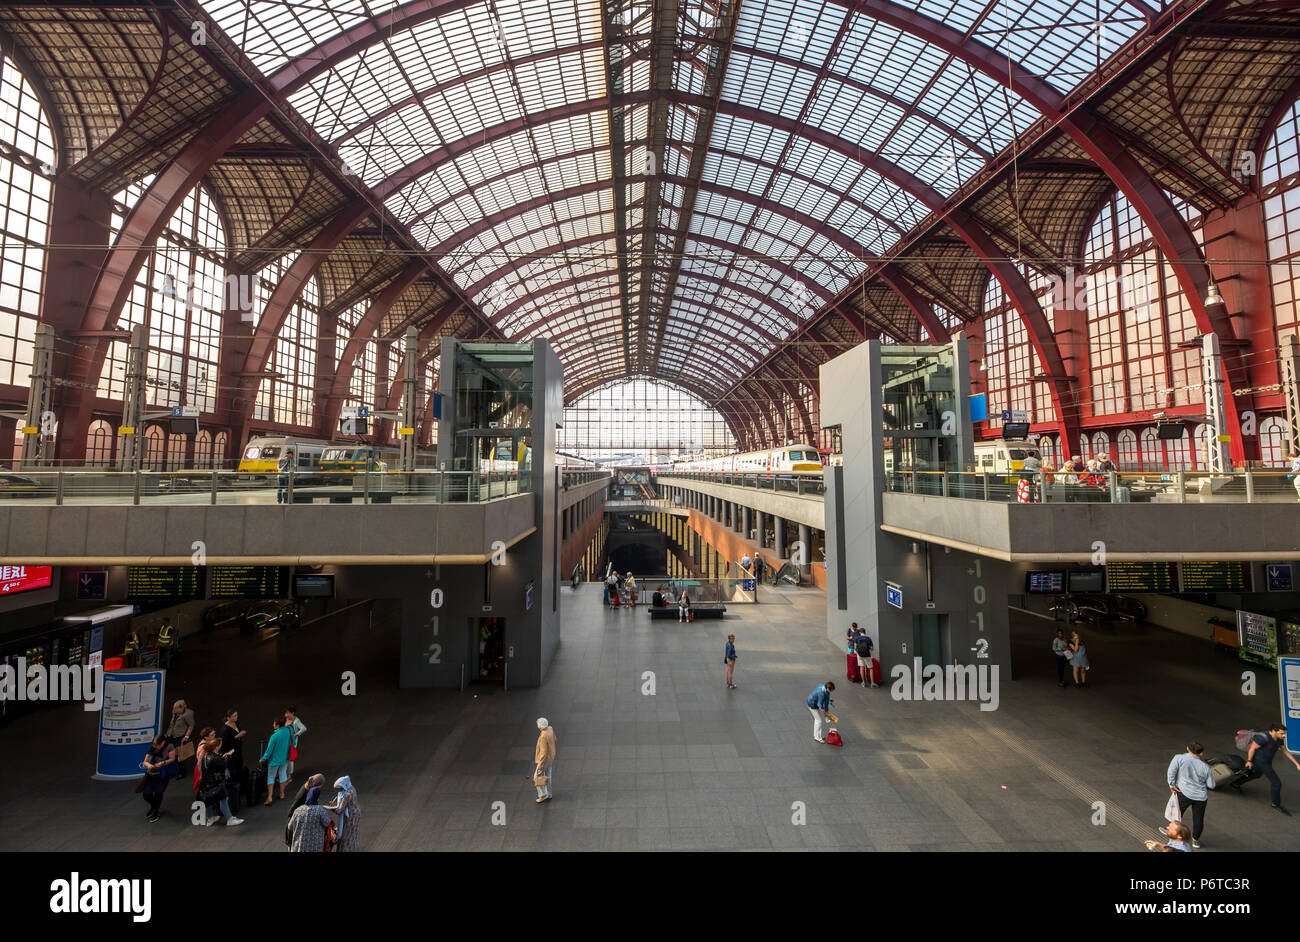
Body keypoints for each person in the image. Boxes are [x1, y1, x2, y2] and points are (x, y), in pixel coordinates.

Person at [1165, 741, 1215, 848]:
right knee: (1198, 818)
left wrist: (1171, 784)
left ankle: (1173, 833)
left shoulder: (1179, 758)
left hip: (1183, 792)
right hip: (1201, 797)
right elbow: (1211, 785)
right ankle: (1195, 840)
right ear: (1201, 754)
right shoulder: (1205, 767)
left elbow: (1171, 771)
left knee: (1177, 814)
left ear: (1187, 748)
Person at [1245, 724, 1300, 814]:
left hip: (1267, 761)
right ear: (1274, 731)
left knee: (1256, 774)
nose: (1284, 735)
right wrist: (1249, 761)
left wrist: (1297, 764)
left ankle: (1236, 783)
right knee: (1276, 783)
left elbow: (1285, 751)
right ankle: (1275, 804)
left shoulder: (1279, 739)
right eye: (1282, 733)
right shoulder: (1263, 738)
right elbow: (1252, 749)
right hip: (1260, 761)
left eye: (1285, 733)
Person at [197, 735, 243, 827]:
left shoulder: (205, 756)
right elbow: (224, 765)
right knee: (224, 799)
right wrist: (228, 757)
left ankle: (210, 818)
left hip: (204, 783)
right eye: (220, 745)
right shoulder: (215, 758)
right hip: (215, 783)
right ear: (216, 747)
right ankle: (230, 819)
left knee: (208, 801)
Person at [141, 735, 177, 823]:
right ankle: (154, 807)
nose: (155, 747)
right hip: (151, 774)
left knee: (158, 793)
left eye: (157, 745)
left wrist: (163, 762)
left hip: (162, 774)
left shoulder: (170, 746)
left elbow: (172, 759)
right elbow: (145, 761)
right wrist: (149, 765)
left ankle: (155, 811)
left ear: (163, 743)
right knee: (146, 794)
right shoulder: (153, 747)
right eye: (154, 745)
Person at [285, 773, 327, 847]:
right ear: (318, 784)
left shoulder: (307, 787)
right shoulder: (308, 793)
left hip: (294, 820)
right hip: (296, 822)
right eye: (321, 785)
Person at [286, 786, 332, 852]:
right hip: (315, 845)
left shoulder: (298, 810)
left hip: (299, 845)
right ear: (317, 798)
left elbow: (290, 826)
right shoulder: (320, 810)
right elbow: (327, 823)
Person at [260, 715, 294, 805]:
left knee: (271, 777)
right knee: (283, 774)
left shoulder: (274, 736)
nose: (273, 725)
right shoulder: (288, 731)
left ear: (278, 725)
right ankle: (282, 794)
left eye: (274, 723)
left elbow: (269, 750)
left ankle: (269, 797)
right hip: (285, 758)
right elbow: (292, 743)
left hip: (274, 760)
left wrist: (263, 758)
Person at [323, 775, 362, 852]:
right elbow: (342, 805)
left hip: (350, 816)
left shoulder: (346, 795)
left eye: (338, 789)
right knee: (353, 835)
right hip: (355, 813)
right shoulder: (351, 788)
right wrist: (335, 805)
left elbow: (339, 810)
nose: (337, 791)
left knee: (346, 836)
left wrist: (329, 808)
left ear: (342, 786)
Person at [534, 717, 556, 804]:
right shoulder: (550, 728)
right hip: (551, 757)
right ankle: (549, 794)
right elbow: (555, 739)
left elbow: (543, 752)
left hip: (545, 760)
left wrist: (540, 764)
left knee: (537, 777)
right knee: (548, 775)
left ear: (540, 727)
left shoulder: (543, 736)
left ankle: (542, 795)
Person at [285, 705, 307, 778]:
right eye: (286, 713)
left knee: (290, 758)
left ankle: (289, 775)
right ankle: (284, 773)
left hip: (292, 743)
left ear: (293, 713)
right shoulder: (286, 719)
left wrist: (296, 734)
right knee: (285, 757)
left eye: (288, 713)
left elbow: (304, 728)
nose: (286, 714)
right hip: (285, 741)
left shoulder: (296, 721)